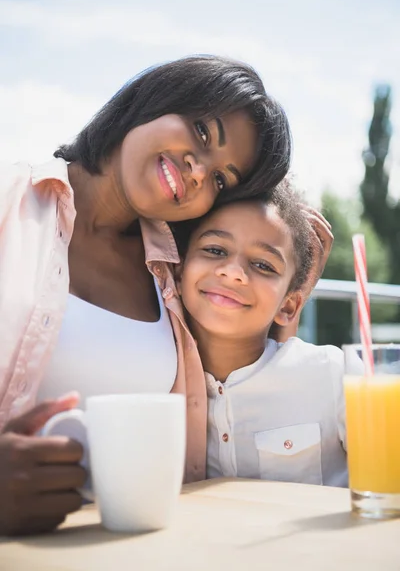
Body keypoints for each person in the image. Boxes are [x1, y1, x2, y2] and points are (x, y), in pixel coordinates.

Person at [0, 54, 298, 536]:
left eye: (221, 179)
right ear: (156, 98)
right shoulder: (8, 198)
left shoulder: (176, 276)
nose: (200, 171)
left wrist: (294, 278)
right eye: (203, 132)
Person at [176, 182, 349, 487]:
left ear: (290, 304)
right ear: (179, 273)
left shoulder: (336, 376)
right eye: (215, 250)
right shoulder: (159, 384)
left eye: (263, 265)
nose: (233, 272)